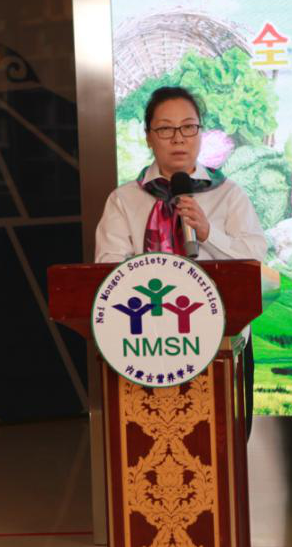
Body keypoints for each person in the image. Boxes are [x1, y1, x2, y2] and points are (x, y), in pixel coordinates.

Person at [95, 86, 267, 437]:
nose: (178, 138)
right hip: (144, 345)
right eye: (165, 129)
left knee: (220, 446)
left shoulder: (228, 194)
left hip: (221, 341)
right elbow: (108, 268)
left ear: (200, 133)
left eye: (188, 127)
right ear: (148, 137)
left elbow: (254, 259)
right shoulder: (124, 200)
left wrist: (207, 233)